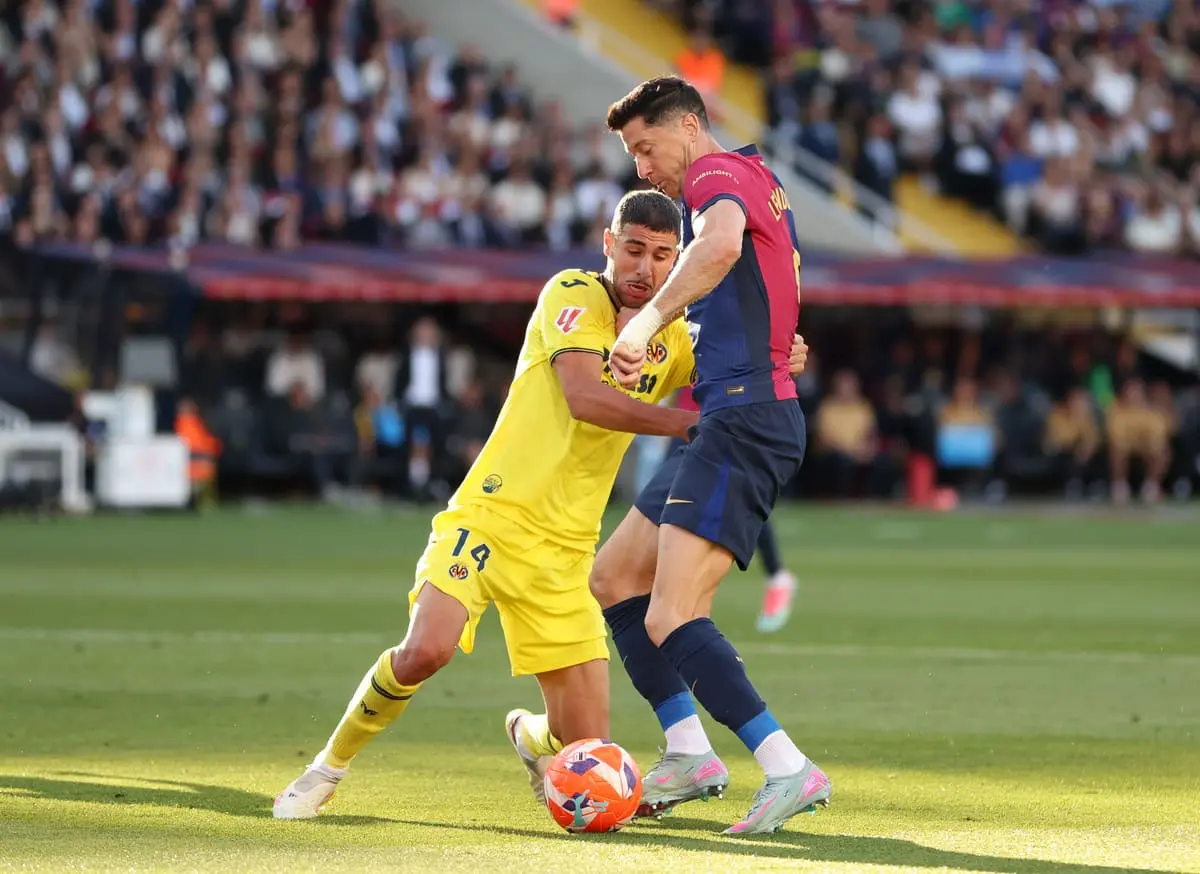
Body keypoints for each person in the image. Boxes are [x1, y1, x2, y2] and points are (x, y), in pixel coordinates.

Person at [273, 190, 807, 818]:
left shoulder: (673, 339)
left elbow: (742, 364)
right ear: (609, 245)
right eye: (634, 249)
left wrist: (782, 357)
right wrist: (679, 425)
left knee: (581, 746)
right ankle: (324, 770)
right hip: (491, 518)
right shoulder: (573, 294)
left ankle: (527, 736)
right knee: (427, 649)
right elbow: (585, 397)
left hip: (564, 554)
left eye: (665, 256)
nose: (646, 269)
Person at [595, 76, 830, 836]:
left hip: (745, 421)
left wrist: (645, 323)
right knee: (615, 577)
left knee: (669, 613)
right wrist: (778, 346)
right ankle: (689, 751)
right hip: (729, 414)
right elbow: (762, 277)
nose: (641, 168)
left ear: (689, 127)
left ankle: (786, 766)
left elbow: (724, 245)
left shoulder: (713, 176)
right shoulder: (758, 177)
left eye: (645, 146)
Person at [662, 384, 798, 633]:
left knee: (737, 498)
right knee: (669, 504)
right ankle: (671, 597)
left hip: (722, 419)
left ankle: (776, 575)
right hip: (689, 417)